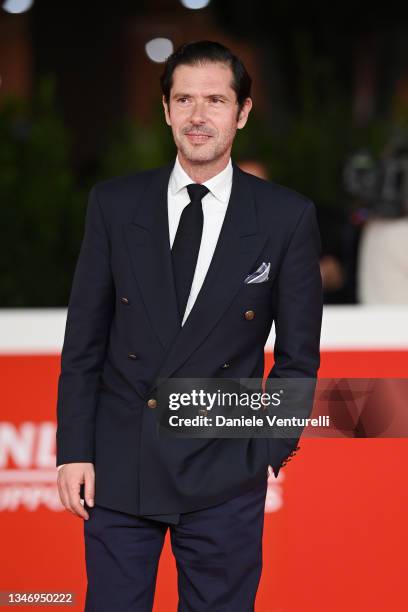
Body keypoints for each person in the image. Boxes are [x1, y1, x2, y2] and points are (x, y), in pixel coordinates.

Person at [56, 40, 323, 611]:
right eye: (184, 99)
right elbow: (83, 341)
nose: (199, 116)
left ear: (243, 112)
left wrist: (268, 450)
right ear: (166, 110)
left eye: (216, 100)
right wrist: (74, 449)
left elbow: (299, 355)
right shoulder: (114, 204)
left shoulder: (286, 217)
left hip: (225, 470)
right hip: (119, 465)